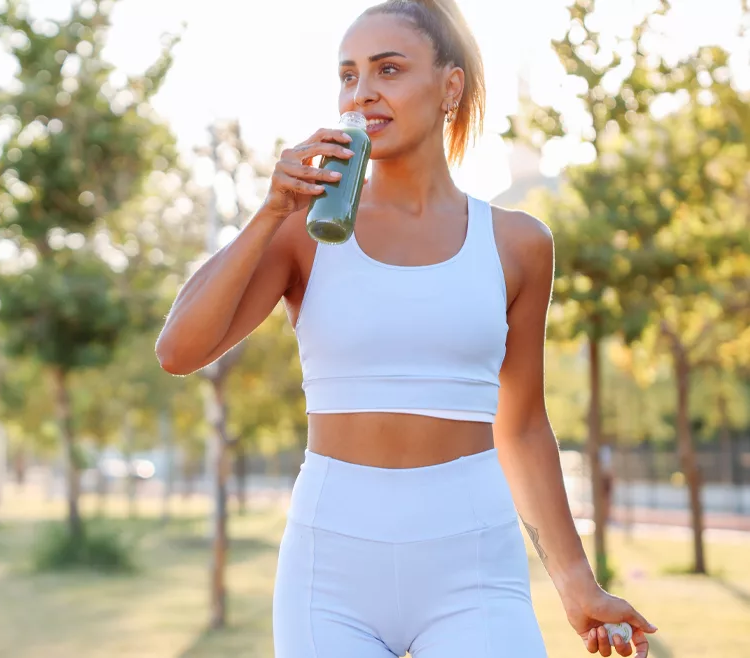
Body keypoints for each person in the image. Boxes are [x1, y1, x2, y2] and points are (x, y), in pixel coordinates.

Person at [154, 1, 658, 656]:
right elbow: (178, 350)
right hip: (330, 566)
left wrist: (576, 584)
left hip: (474, 562)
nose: (363, 92)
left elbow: (524, 424)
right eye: (348, 76)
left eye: (388, 69)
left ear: (451, 86)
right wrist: (270, 211)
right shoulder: (304, 232)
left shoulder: (519, 244)